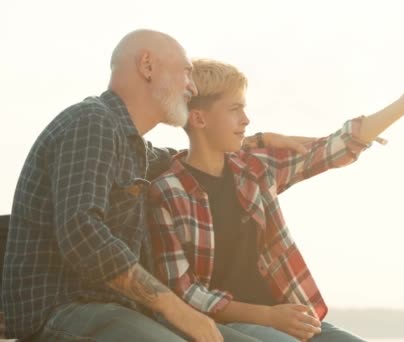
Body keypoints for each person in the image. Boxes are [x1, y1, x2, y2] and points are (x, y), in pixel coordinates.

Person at [1, 29, 310, 342]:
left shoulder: (133, 146)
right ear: (147, 66)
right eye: (186, 73)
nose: (191, 87)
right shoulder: (91, 123)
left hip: (117, 311)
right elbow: (82, 234)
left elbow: (191, 158)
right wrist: (176, 309)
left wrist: (255, 141)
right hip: (63, 310)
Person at [147, 59, 404, 341]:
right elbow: (185, 292)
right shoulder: (167, 192)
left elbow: (334, 147)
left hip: (290, 318)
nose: (246, 119)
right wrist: (269, 317)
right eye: (235, 109)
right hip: (227, 327)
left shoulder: (254, 169)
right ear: (199, 118)